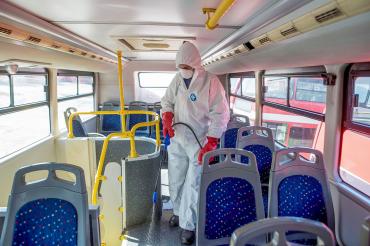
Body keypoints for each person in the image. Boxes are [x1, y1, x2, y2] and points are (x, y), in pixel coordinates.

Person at [161, 42, 230, 244]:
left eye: (187, 66)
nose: (183, 70)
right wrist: (166, 116)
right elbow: (166, 101)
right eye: (180, 66)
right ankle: (177, 212)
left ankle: (188, 226)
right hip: (177, 136)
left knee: (193, 183)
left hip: (199, 140)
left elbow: (221, 113)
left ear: (196, 65)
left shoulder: (211, 82)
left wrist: (213, 140)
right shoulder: (177, 79)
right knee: (175, 177)